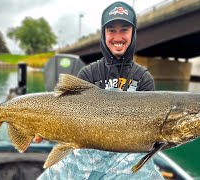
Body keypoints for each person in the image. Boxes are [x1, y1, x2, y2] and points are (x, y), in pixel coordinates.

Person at [37, 1, 164, 179]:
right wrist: (44, 126)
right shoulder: (88, 73)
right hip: (86, 154)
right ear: (104, 34)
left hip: (126, 157)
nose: (117, 37)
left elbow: (149, 132)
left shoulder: (143, 78)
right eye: (111, 30)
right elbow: (70, 118)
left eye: (124, 30)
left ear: (133, 33)